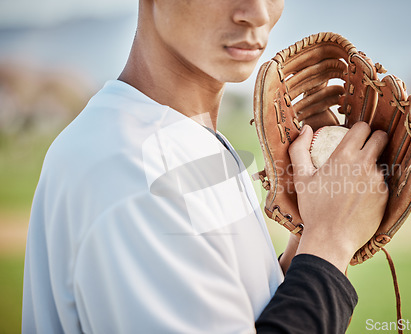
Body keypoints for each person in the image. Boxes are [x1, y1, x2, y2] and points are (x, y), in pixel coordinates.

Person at [22, 1, 388, 333]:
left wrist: (313, 233)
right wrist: (331, 244)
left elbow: (237, 306)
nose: (258, 14)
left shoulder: (176, 137)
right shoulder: (138, 170)